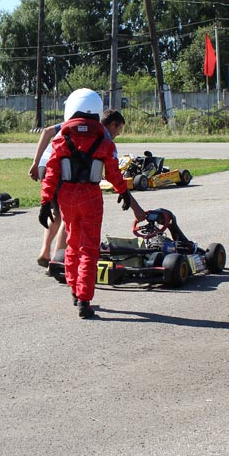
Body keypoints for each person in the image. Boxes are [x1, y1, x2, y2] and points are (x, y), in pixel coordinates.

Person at [39, 90, 144, 318]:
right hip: (91, 197)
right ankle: (84, 301)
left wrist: (45, 201)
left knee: (72, 245)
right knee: (88, 249)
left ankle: (74, 291)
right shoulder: (104, 140)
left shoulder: (61, 138)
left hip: (67, 196)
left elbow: (51, 173)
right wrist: (124, 192)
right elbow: (113, 173)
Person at [31, 110, 125, 268]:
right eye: (119, 129)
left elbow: (47, 131)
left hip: (44, 164)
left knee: (56, 212)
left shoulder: (73, 124)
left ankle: (45, 251)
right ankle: (57, 260)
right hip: (63, 170)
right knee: (68, 216)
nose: (118, 133)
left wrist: (35, 163)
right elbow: (112, 173)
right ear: (112, 124)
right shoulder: (100, 134)